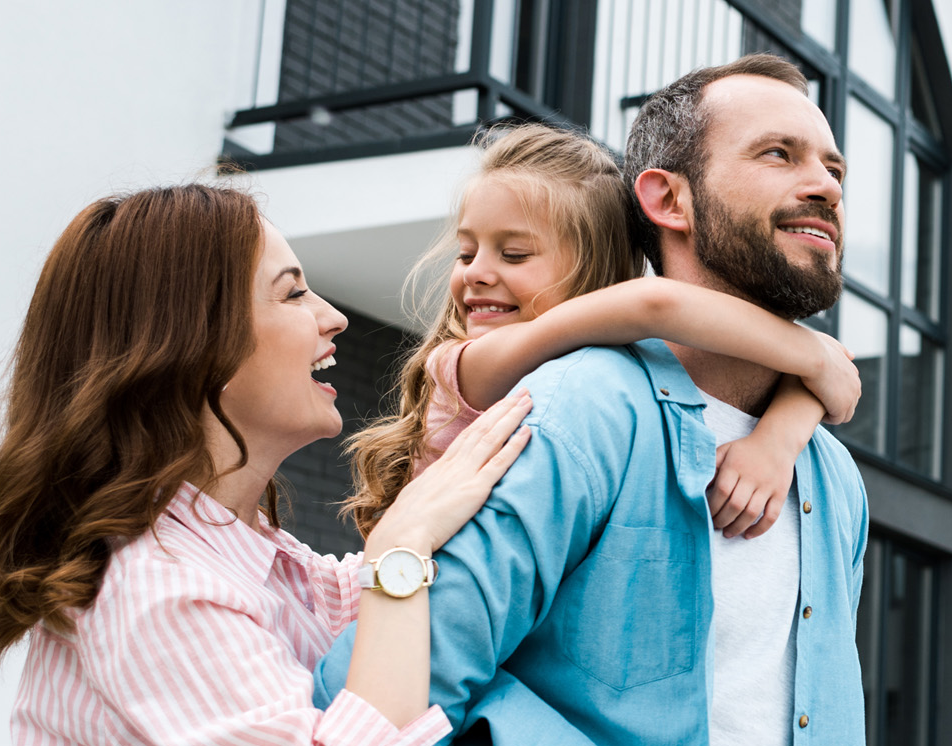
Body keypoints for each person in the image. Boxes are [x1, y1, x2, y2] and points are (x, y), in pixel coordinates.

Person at [316, 54, 872, 746]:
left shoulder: (830, 478)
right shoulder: (576, 413)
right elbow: (374, 707)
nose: (824, 184)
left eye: (832, 166)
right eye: (777, 154)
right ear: (665, 198)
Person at [0, 183, 535, 746]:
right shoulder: (157, 586)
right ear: (191, 342)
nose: (332, 317)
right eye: (291, 294)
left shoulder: (249, 556)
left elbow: (380, 625)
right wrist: (399, 551)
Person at [345, 123, 860, 546]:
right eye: (466, 253)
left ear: (596, 270)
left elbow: (825, 375)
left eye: (514, 254)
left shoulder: (616, 370)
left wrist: (775, 441)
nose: (474, 272)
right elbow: (656, 304)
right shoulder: (467, 364)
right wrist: (812, 354)